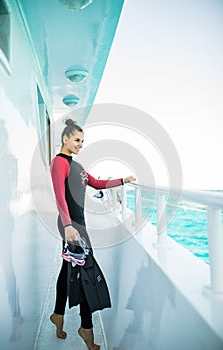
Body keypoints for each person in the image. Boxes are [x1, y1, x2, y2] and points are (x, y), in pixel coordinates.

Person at [49, 119, 135, 349]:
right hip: (71, 225)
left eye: (83, 141)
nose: (80, 144)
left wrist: (122, 180)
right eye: (77, 140)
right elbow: (59, 196)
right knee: (87, 271)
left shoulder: (76, 165)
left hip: (79, 225)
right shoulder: (59, 163)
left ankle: (58, 315)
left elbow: (96, 183)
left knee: (69, 268)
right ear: (65, 139)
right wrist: (68, 226)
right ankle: (86, 329)